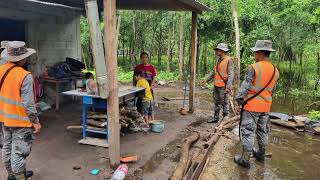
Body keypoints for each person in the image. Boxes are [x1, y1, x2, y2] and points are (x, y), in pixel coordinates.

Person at [234, 40, 279, 169]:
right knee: (262, 131)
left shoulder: (253, 67)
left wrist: (238, 101)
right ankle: (261, 154)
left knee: (248, 132)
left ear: (259, 53)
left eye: (255, 53)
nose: (254, 55)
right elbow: (273, 90)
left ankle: (245, 160)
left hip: (252, 106)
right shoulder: (275, 70)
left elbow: (245, 86)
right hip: (266, 107)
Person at [0, 41, 41, 180]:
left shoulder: (0, 69)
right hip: (20, 121)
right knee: (19, 152)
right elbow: (28, 104)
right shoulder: (25, 76)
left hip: (4, 119)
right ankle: (19, 178)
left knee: (7, 147)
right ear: (22, 58)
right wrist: (35, 122)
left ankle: (11, 175)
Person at [201, 43, 234, 123]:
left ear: (222, 51)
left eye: (217, 50)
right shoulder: (218, 60)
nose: (216, 51)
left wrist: (228, 87)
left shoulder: (229, 60)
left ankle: (225, 121)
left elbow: (231, 75)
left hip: (224, 86)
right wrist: (206, 79)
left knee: (225, 103)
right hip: (216, 85)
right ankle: (216, 118)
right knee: (217, 102)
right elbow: (214, 72)